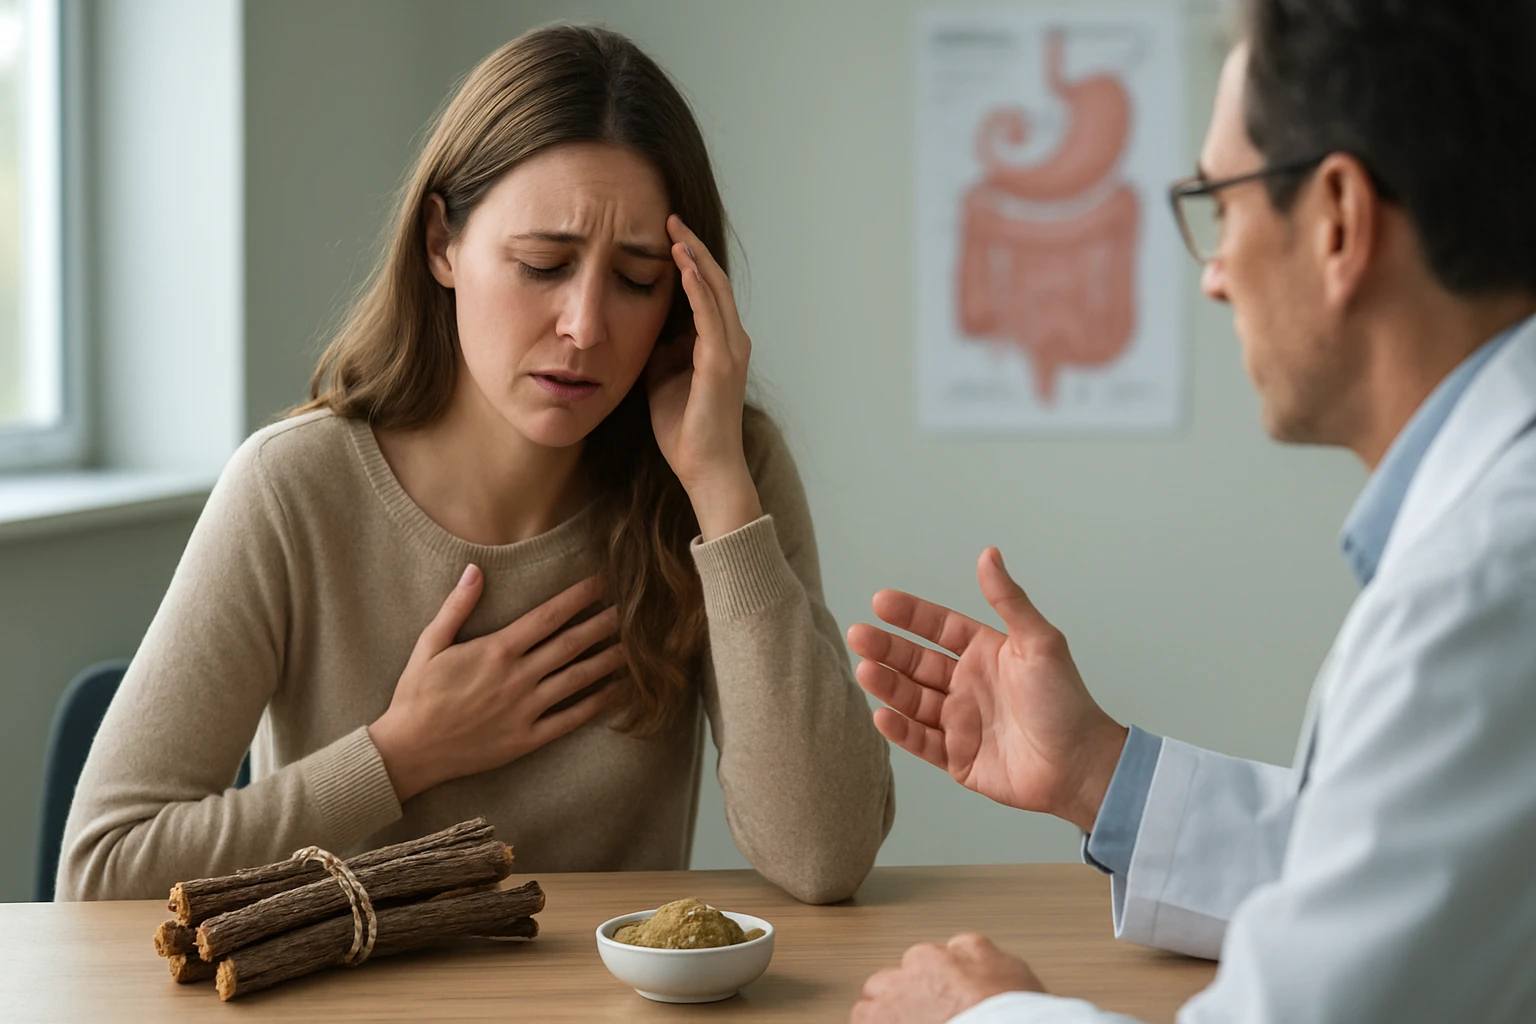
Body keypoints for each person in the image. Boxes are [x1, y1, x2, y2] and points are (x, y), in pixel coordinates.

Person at [58, 25, 893, 905]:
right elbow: (102, 873)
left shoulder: (725, 465)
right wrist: (401, 754)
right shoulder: (291, 490)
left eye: (638, 280)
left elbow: (823, 855)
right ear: (440, 244)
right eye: (543, 264)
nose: (585, 325)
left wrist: (722, 494)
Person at [850, 1, 1536, 1020]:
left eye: (1220, 203)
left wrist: (981, 1017)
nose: (1213, 276)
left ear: (1338, 220)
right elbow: (1387, 872)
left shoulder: (1486, 585)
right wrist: (1097, 771)